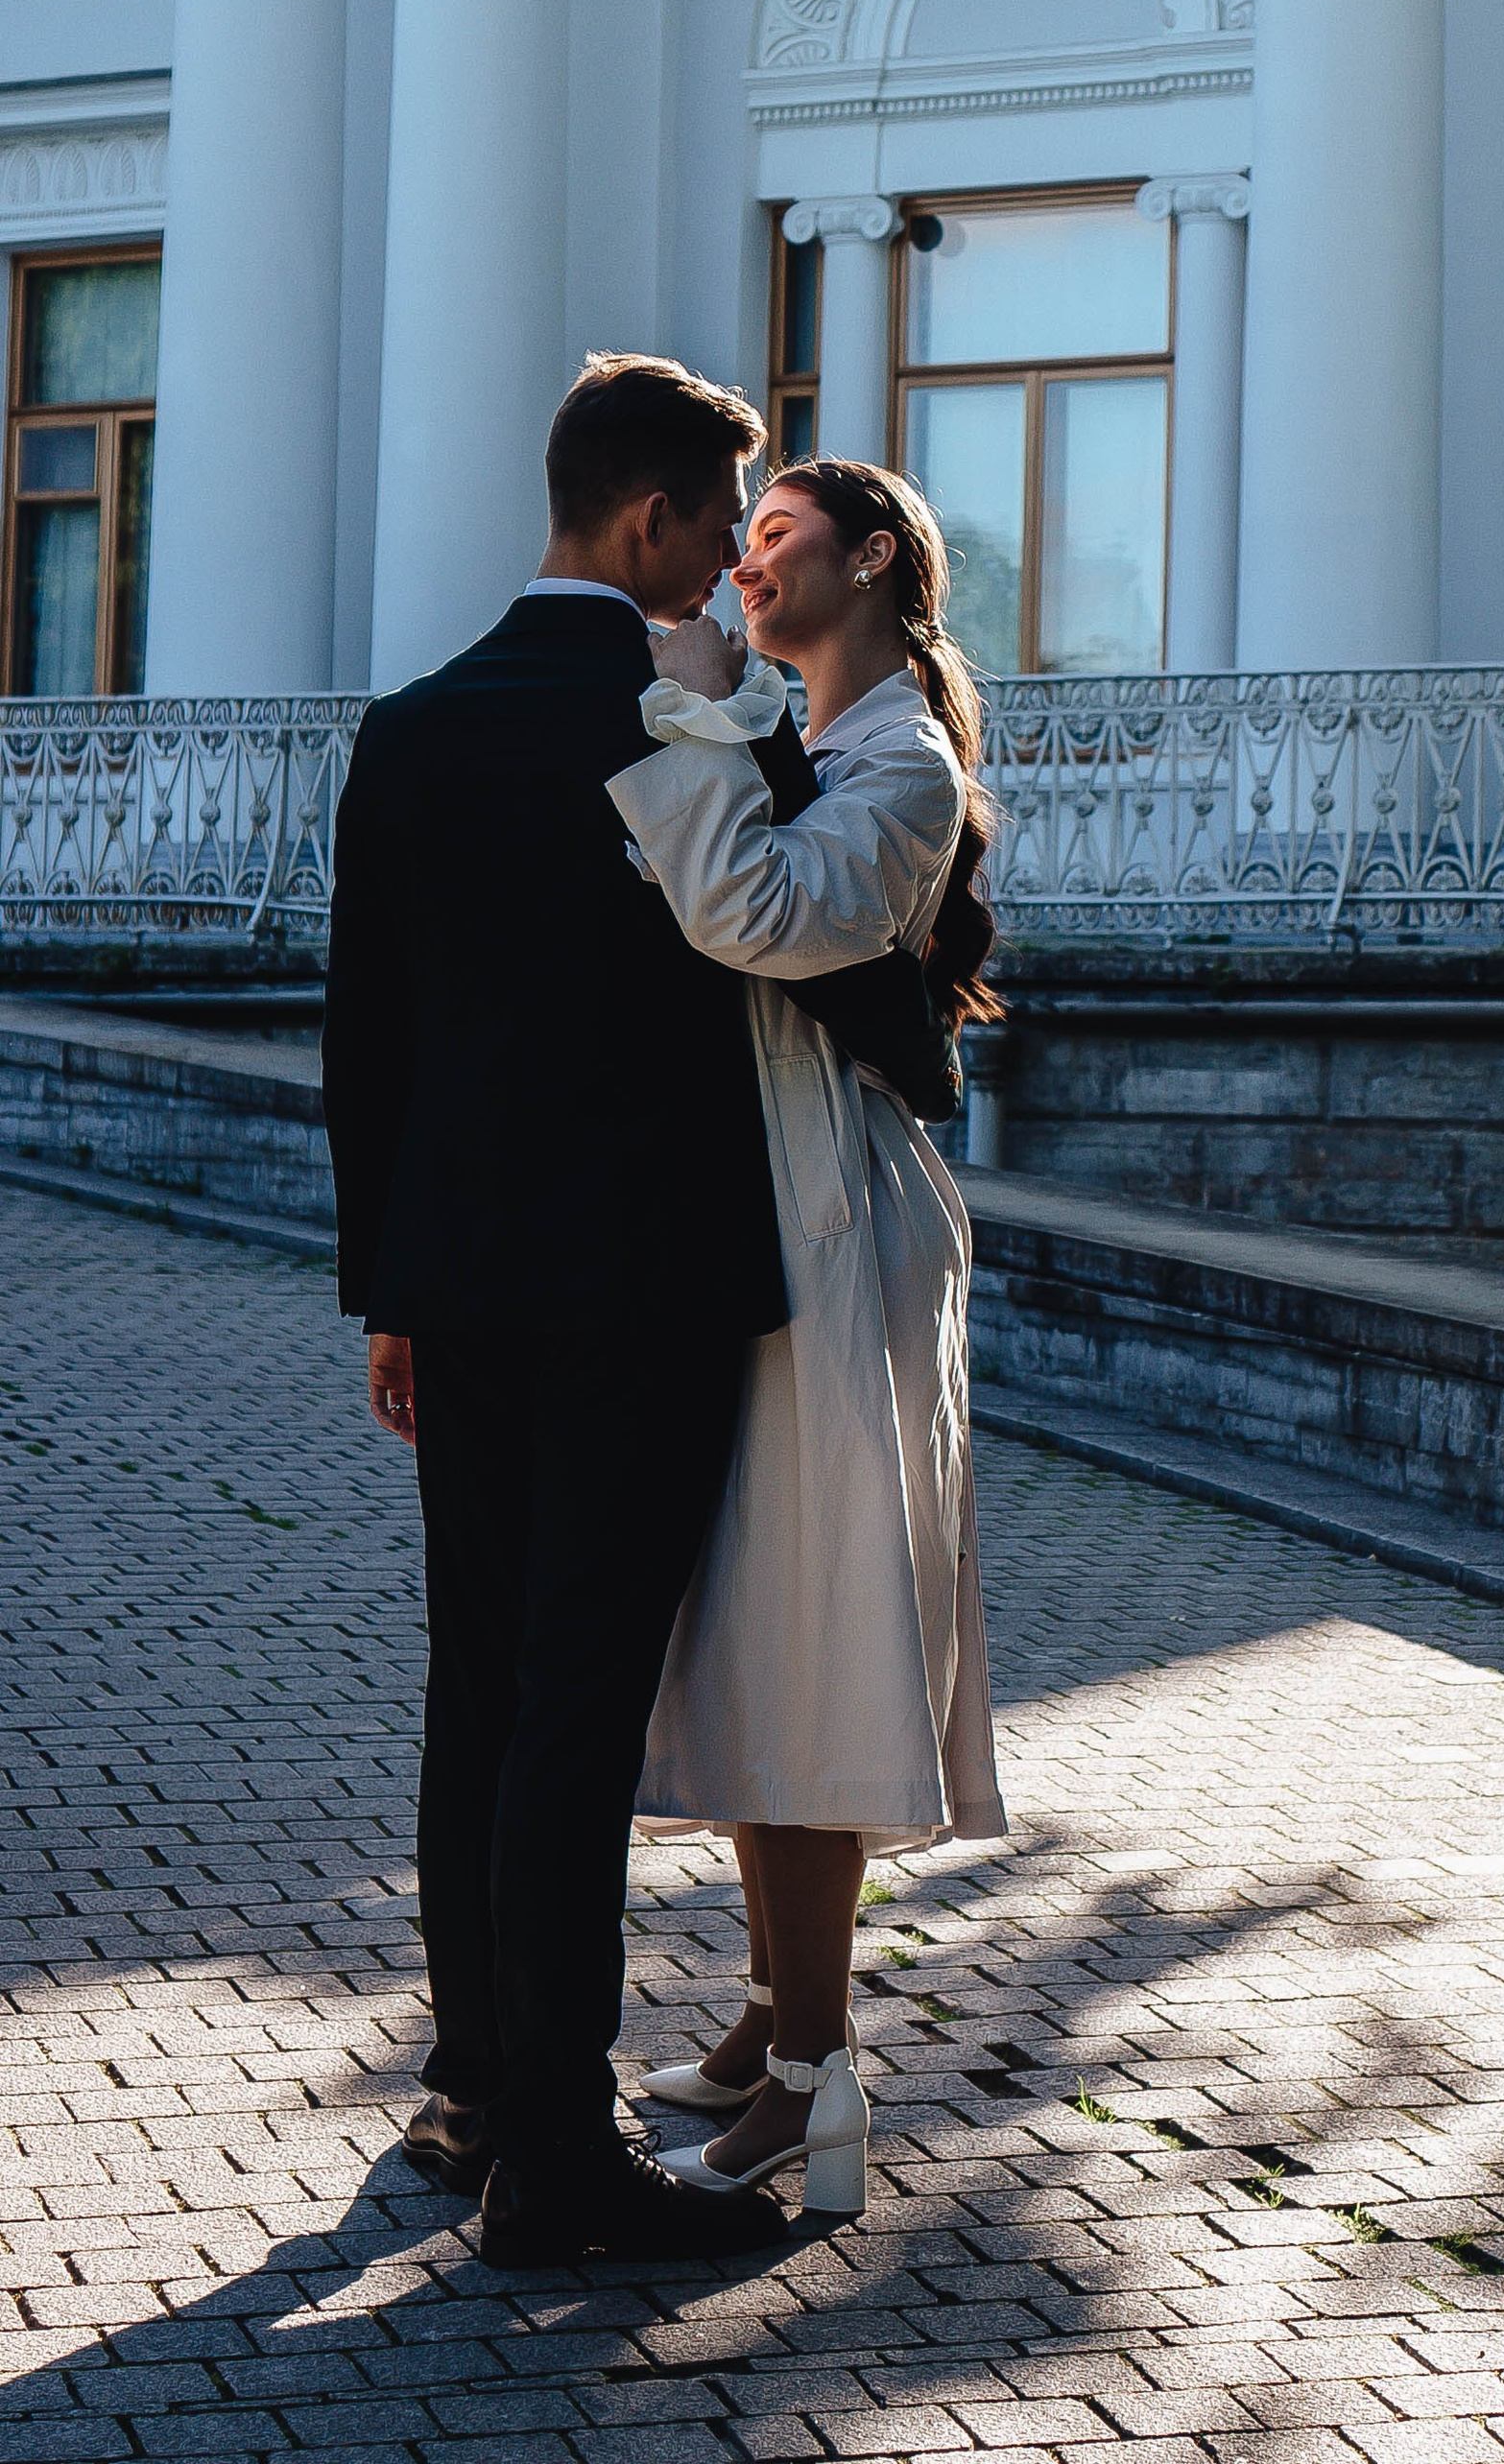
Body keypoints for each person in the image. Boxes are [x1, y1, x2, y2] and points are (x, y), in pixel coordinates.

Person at [322, 354, 793, 2268]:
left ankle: (475, 2084)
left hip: (464, 1284)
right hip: (649, 1294)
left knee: (478, 1686)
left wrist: (387, 1294)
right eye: (711, 534)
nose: (721, 582)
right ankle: (562, 2159)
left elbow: (367, 1039)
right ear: (644, 520)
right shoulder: (683, 724)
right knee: (576, 1711)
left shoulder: (415, 725)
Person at [603, 456, 1008, 2220]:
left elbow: (761, 915)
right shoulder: (819, 740)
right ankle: (783, 2005)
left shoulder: (904, 760)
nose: (748, 561)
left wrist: (677, 739)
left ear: (874, 562)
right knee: (774, 1618)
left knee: (814, 1626)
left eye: (782, 539)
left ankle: (817, 2089)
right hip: (781, 1218)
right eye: (739, 536)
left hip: (836, 1232)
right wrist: (696, 702)